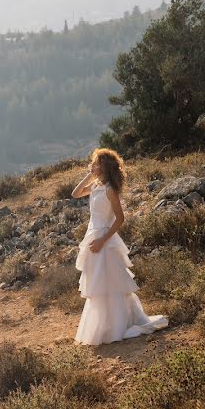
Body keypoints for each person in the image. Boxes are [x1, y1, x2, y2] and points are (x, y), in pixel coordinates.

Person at [70, 148, 168, 345]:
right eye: (93, 163)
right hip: (93, 235)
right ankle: (103, 326)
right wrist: (89, 174)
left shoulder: (109, 189)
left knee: (112, 283)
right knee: (98, 285)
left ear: (104, 166)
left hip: (104, 240)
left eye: (96, 163)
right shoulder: (96, 185)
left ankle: (117, 326)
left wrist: (102, 241)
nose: (93, 165)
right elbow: (75, 193)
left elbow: (120, 219)